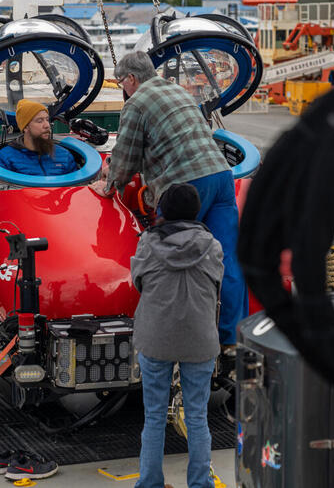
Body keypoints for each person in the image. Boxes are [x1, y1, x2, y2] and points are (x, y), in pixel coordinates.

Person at [90, 51, 248, 346]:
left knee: (172, 259)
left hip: (185, 188)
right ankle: (231, 339)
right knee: (227, 259)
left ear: (132, 79)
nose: (123, 88)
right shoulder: (179, 90)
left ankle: (176, 339)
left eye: (122, 82)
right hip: (221, 176)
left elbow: (125, 157)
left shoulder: (136, 102)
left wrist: (108, 184)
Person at [131, 183, 222, 488]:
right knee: (197, 416)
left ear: (163, 210)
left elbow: (139, 282)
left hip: (156, 336)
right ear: (196, 210)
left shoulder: (147, 243)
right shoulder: (212, 245)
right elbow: (216, 286)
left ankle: (150, 483)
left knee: (154, 416)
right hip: (200, 338)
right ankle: (200, 484)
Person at [0, 99, 79, 175]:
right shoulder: (6, 158)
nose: (47, 125)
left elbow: (77, 186)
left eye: (47, 119)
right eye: (39, 121)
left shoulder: (64, 155)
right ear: (26, 127)